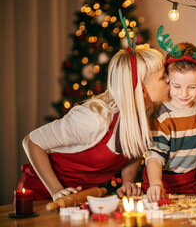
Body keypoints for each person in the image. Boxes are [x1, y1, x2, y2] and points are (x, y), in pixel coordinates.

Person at [18, 46, 170, 201]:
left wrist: (128, 182)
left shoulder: (147, 113)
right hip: (41, 195)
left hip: (82, 198)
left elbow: (133, 152)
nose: (169, 79)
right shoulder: (93, 119)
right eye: (162, 77)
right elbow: (31, 141)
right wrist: (57, 190)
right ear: (141, 91)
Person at [142, 42, 196, 202]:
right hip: (159, 185)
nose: (184, 94)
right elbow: (155, 155)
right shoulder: (161, 114)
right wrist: (156, 184)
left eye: (192, 87)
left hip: (191, 186)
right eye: (177, 86)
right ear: (167, 80)